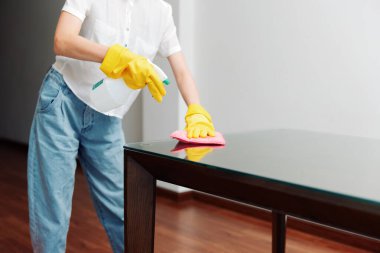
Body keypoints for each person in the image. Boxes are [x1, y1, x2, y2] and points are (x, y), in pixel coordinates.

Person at [27, 0, 216, 252]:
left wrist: (196, 110)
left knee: (125, 210)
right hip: (63, 101)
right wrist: (117, 56)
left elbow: (180, 70)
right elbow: (62, 40)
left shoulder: (161, 12)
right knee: (52, 211)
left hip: (108, 118)